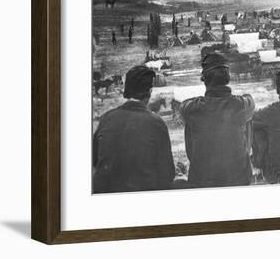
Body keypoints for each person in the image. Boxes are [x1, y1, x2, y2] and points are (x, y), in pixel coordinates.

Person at [93, 65, 175, 193]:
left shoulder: (107, 117)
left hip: (104, 193)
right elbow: (167, 173)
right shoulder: (156, 123)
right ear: (149, 91)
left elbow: (94, 160)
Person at [179, 52, 255, 188]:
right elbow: (249, 99)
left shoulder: (191, 108)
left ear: (204, 79)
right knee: (247, 119)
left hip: (202, 179)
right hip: (238, 179)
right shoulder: (242, 104)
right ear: (228, 78)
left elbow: (183, 106)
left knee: (192, 123)